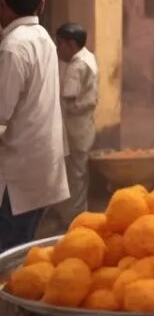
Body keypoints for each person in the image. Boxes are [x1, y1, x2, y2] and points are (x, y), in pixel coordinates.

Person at [0, 0, 68, 250]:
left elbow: (1, 113)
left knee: (8, 252)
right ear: (42, 3)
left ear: (2, 5)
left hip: (16, 174)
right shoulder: (43, 38)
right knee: (22, 248)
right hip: (40, 165)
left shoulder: (13, 47)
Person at [44, 23, 98, 233]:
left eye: (61, 44)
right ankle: (75, 216)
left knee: (73, 176)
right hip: (83, 127)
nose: (58, 49)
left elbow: (67, 96)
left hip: (74, 129)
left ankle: (73, 220)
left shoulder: (77, 65)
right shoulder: (88, 57)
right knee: (78, 174)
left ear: (71, 44)